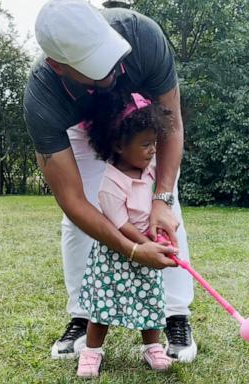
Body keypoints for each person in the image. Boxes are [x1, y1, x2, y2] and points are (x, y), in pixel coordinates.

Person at [23, 0, 197, 362]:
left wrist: (160, 198)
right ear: (59, 66)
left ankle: (175, 314)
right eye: (97, 67)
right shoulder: (43, 97)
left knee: (166, 204)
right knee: (78, 219)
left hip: (140, 121)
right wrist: (133, 250)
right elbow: (72, 199)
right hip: (82, 129)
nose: (116, 69)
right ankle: (81, 315)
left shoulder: (141, 36)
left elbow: (173, 124)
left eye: (112, 55)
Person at [76, 91, 174, 378]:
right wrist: (146, 243)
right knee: (104, 305)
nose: (152, 150)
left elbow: (156, 203)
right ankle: (92, 351)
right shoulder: (111, 183)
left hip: (147, 247)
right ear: (119, 145)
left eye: (154, 143)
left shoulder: (149, 170)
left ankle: (152, 346)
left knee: (151, 299)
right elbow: (120, 224)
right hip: (115, 253)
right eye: (145, 144)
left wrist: (159, 234)